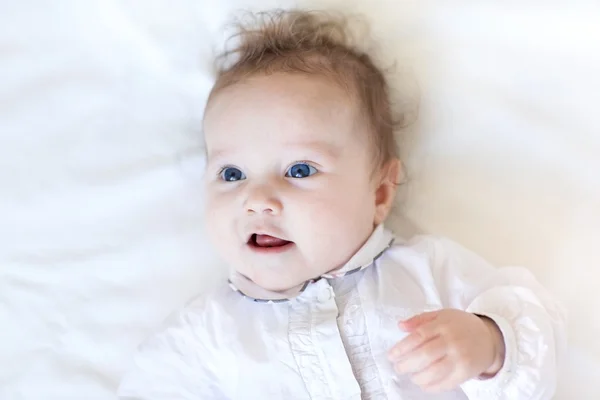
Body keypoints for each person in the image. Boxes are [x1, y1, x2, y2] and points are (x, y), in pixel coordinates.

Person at [118, 9, 566, 400]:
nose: (257, 199)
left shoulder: (426, 270)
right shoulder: (207, 332)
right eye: (232, 174)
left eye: (299, 170)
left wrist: (487, 343)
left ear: (379, 193)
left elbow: (537, 329)